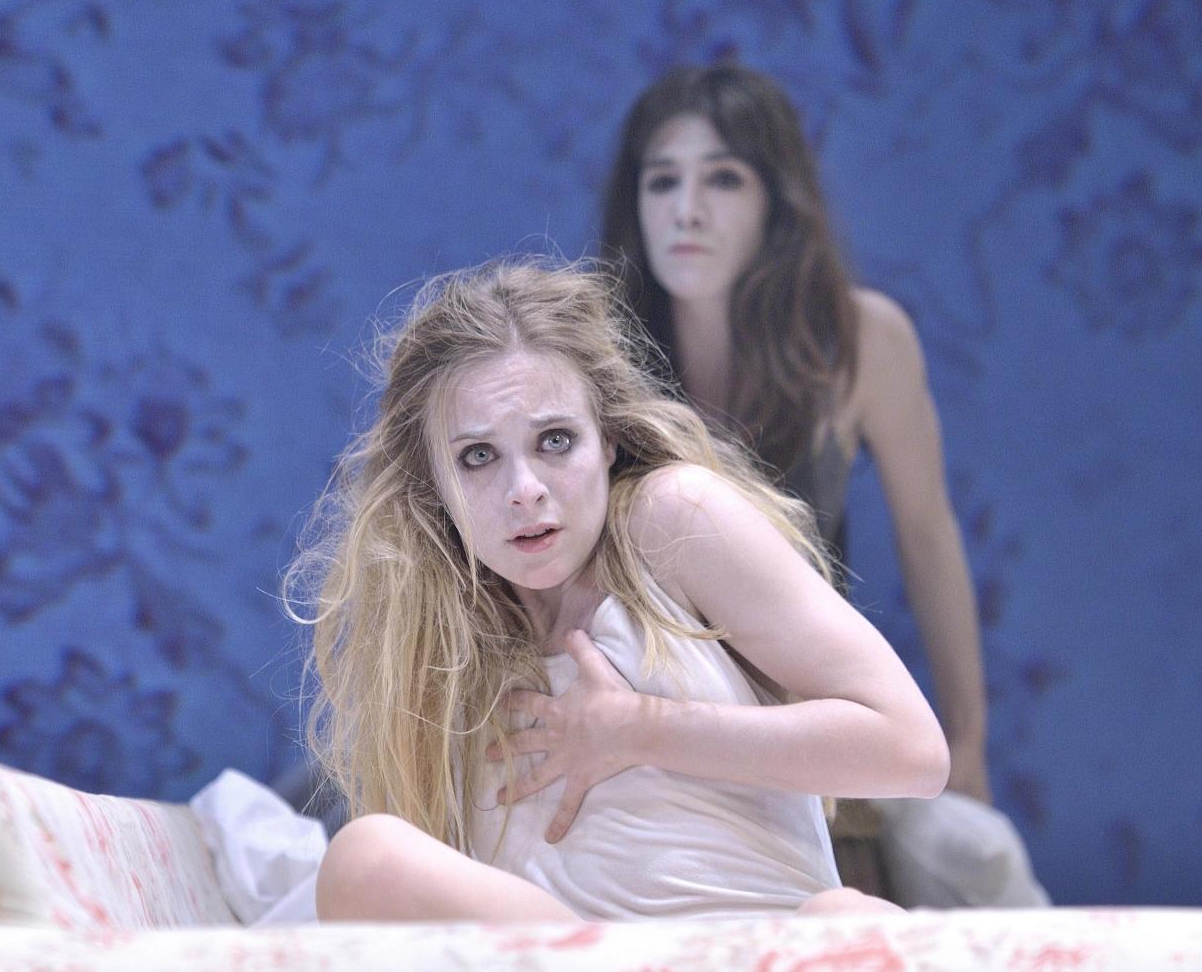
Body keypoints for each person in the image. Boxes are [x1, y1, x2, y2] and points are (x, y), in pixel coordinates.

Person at [287, 259, 948, 922]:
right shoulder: (434, 637)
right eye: (478, 456)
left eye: (555, 441)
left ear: (606, 439)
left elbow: (913, 753)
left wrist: (641, 729)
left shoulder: (671, 521)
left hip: (761, 947)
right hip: (573, 953)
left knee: (848, 916)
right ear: (433, 481)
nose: (524, 490)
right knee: (365, 856)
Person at [597, 64, 994, 809]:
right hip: (640, 731)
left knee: (966, 853)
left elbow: (928, 537)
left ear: (775, 202)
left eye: (724, 180)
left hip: (805, 736)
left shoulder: (861, 340)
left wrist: (969, 742)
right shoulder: (591, 351)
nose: (686, 211)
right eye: (662, 181)